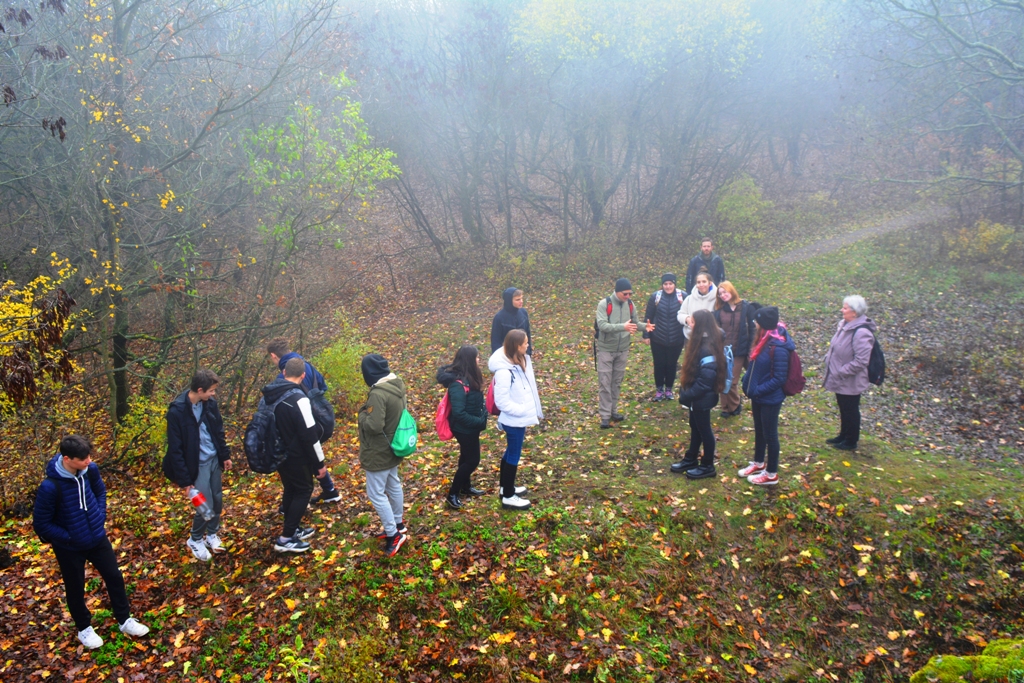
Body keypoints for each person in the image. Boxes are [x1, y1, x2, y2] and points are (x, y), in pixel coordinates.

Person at [33, 435, 150, 649]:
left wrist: (99, 515)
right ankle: (84, 628)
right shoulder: (50, 487)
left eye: (89, 456)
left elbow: (100, 491)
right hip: (69, 548)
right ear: (67, 459)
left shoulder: (90, 470)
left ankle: (125, 620)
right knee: (76, 587)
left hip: (97, 537)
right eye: (83, 459)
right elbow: (41, 524)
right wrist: (69, 537)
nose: (89, 461)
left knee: (114, 576)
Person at [163, 368, 232, 562]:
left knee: (217, 500)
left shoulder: (210, 404)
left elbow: (218, 430)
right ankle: (195, 539)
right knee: (204, 505)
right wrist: (185, 481)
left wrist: (224, 455)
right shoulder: (177, 412)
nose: (213, 394)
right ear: (200, 390)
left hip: (213, 460)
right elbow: (175, 449)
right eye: (211, 390)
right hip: (196, 466)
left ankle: (212, 534)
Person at [262, 357, 328, 553]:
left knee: (291, 488)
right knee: (304, 490)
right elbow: (310, 435)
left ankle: (293, 527)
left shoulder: (271, 394)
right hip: (296, 456)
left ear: (284, 372)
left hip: (279, 452)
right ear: (303, 375)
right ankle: (286, 537)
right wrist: (319, 463)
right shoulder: (299, 399)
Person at [266, 337, 340, 505]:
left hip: (304, 423)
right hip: (322, 419)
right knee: (312, 453)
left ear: (273, 355)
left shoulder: (284, 376)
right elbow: (323, 386)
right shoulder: (307, 366)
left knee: (305, 455)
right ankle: (329, 490)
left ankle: (297, 499)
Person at [357, 353, 410, 557]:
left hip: (378, 450)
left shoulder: (378, 394)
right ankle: (398, 523)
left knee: (376, 493)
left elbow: (374, 425)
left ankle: (393, 534)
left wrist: (362, 415)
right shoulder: (397, 385)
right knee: (393, 484)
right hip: (393, 445)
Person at [738, 307, 795, 486]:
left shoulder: (778, 348)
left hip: (770, 398)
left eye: (756, 321)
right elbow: (756, 366)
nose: (754, 324)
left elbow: (779, 378)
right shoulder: (764, 340)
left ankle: (771, 474)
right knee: (760, 431)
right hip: (758, 396)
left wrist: (757, 390)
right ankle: (758, 462)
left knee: (770, 435)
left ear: (763, 324)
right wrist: (747, 382)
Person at [488, 329, 543, 510]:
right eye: (525, 343)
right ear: (517, 346)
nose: (528, 345)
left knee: (510, 452)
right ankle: (508, 497)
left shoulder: (517, 361)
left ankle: (505, 488)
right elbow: (501, 401)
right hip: (513, 420)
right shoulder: (504, 372)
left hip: (518, 419)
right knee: (514, 455)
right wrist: (521, 410)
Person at [672, 310, 728, 479]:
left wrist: (687, 395)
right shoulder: (701, 342)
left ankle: (708, 465)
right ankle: (691, 458)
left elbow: (705, 381)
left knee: (704, 430)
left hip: (701, 398)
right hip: (695, 397)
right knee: (695, 426)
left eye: (693, 322)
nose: (690, 324)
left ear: (701, 325)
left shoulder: (707, 348)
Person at [595, 278, 654, 428]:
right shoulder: (604, 304)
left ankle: (613, 411)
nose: (628, 296)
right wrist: (623, 327)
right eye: (625, 294)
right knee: (605, 383)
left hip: (622, 350)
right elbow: (602, 325)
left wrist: (644, 327)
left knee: (616, 383)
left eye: (630, 294)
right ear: (617, 291)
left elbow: (634, 323)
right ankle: (605, 416)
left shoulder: (630, 304)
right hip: (606, 349)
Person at [436, 345, 488, 509]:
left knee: (466, 457)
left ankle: (466, 487)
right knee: (472, 460)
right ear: (469, 360)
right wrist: (478, 421)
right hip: (464, 428)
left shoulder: (470, 377)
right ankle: (453, 493)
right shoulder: (457, 384)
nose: (479, 359)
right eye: (476, 357)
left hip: (471, 426)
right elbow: (459, 413)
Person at [822, 295, 877, 451]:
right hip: (840, 377)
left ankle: (851, 441)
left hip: (850, 379)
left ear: (855, 312)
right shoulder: (844, 325)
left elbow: (862, 360)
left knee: (850, 409)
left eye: (845, 308)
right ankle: (843, 435)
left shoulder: (861, 332)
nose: (842, 310)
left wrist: (842, 372)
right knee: (843, 407)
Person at [713, 281, 760, 418]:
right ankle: (727, 407)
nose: (723, 295)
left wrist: (752, 348)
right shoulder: (719, 311)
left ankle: (735, 404)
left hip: (743, 349)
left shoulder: (746, 308)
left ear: (731, 290)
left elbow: (753, 330)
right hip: (726, 351)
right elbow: (716, 332)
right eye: (720, 294)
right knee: (725, 379)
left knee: (740, 379)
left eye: (725, 292)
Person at [642, 273, 686, 401]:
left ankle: (669, 389)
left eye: (670, 284)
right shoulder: (656, 297)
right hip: (658, 338)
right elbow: (648, 317)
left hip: (676, 339)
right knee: (659, 364)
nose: (668, 286)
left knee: (671, 365)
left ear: (674, 284)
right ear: (662, 285)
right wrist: (646, 334)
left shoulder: (682, 296)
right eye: (665, 284)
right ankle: (659, 389)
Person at [677, 270, 718, 341]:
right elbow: (680, 314)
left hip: (710, 338)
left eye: (704, 282)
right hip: (691, 337)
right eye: (698, 282)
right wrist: (687, 319)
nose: (701, 284)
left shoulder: (717, 298)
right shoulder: (689, 298)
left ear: (710, 283)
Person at [491, 287, 533, 355]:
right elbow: (496, 342)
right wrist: (500, 358)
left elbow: (527, 334)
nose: (521, 301)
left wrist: (528, 353)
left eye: (521, 298)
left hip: (523, 354)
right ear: (509, 301)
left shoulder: (523, 313)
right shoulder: (499, 318)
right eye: (517, 299)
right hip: (506, 355)